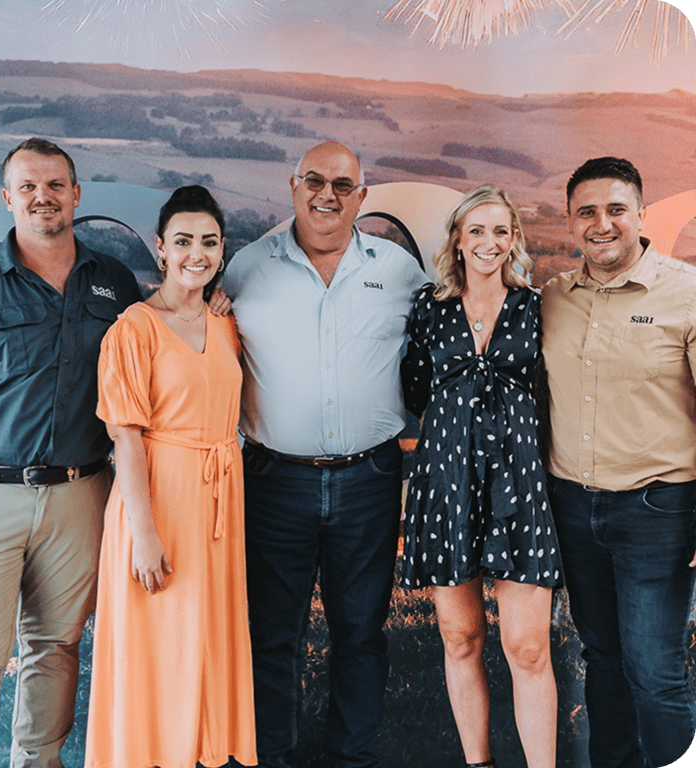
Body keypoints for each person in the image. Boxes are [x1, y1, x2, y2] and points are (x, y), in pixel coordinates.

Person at [0, 137, 142, 768]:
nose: (42, 197)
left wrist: (211, 303)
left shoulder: (113, 282)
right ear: (7, 198)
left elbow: (158, 349)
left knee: (58, 646)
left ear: (76, 195)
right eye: (28, 187)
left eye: (54, 185)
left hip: (81, 493)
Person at [221, 141, 427, 768]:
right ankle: (270, 757)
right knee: (271, 637)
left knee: (361, 635)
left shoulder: (398, 271)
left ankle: (352, 759)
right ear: (292, 186)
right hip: (274, 483)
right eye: (314, 180)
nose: (327, 194)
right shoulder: (245, 270)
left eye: (343, 184)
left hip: (369, 477)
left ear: (362, 197)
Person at [84, 185, 256, 768]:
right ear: (160, 248)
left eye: (208, 242)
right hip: (157, 504)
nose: (195, 254)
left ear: (222, 249)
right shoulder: (135, 327)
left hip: (217, 508)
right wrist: (145, 533)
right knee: (156, 649)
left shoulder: (227, 325)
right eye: (182, 241)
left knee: (203, 646)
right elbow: (126, 439)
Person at [542, 156, 696, 768]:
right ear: (571, 222)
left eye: (615, 210)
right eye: (587, 212)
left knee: (655, 668)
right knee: (601, 657)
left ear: (639, 215)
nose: (601, 224)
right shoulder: (553, 298)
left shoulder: (685, 293)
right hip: (574, 507)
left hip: (657, 510)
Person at [401, 184, 561, 768]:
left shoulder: (536, 306)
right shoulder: (430, 308)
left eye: (501, 230)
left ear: (514, 238)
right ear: (458, 241)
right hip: (448, 486)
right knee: (461, 638)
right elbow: (413, 388)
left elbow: (554, 393)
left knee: (526, 646)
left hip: (519, 487)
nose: (489, 242)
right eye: (477, 231)